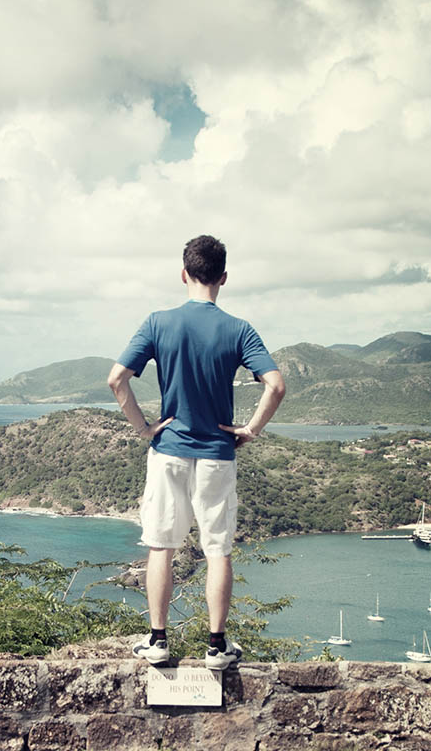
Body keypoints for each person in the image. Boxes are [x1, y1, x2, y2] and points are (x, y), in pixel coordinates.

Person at [107, 235, 285, 669]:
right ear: (224, 277)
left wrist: (145, 428)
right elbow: (276, 385)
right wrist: (250, 430)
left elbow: (116, 379)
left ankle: (158, 641)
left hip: (168, 451)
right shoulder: (239, 329)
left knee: (161, 545)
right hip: (217, 454)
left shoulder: (157, 322)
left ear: (184, 273)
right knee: (217, 549)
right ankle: (216, 647)